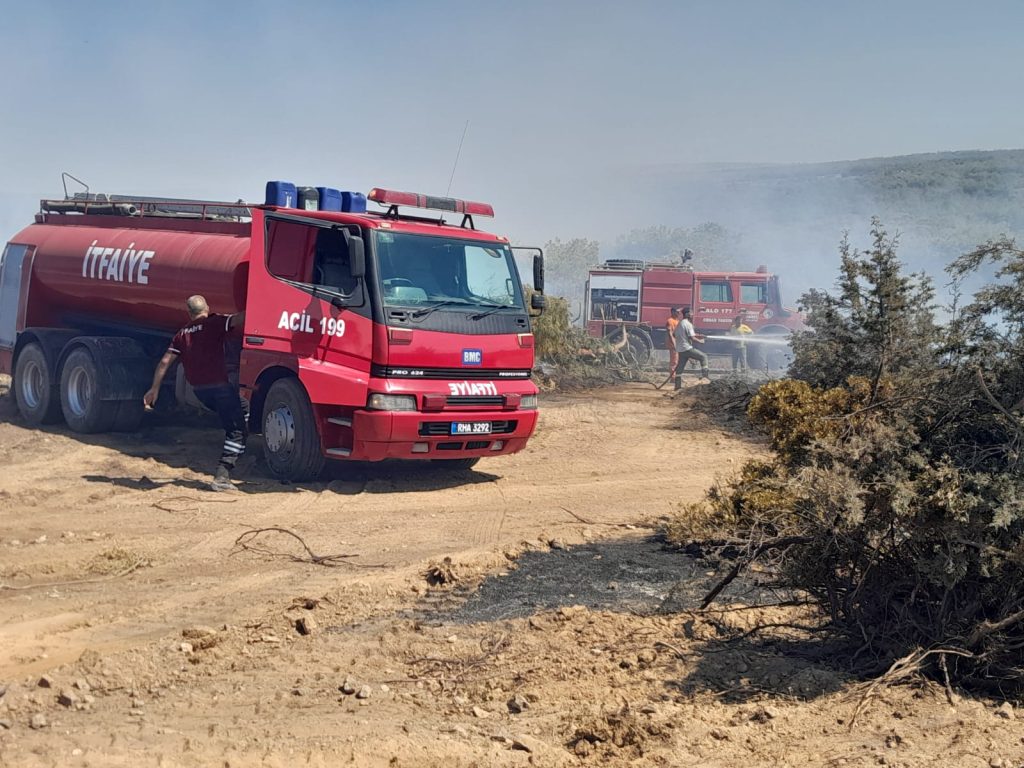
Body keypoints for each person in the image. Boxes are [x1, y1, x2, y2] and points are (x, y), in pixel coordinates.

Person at [143, 296, 248, 491]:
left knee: (243, 407)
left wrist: (154, 388)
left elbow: (165, 361)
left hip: (200, 391)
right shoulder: (213, 323)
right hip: (220, 388)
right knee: (236, 431)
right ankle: (222, 476)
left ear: (189, 313)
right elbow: (239, 319)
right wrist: (262, 305)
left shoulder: (182, 333)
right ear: (207, 307)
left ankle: (240, 444)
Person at [673, 307, 709, 389]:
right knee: (703, 357)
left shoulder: (680, 323)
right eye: (691, 313)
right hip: (687, 348)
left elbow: (674, 334)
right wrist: (701, 341)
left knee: (679, 370)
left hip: (680, 349)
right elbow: (692, 337)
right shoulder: (688, 324)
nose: (692, 314)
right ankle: (705, 378)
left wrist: (699, 335)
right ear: (687, 314)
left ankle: (677, 387)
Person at [665, 307, 681, 375]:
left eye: (679, 312)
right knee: (674, 361)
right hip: (673, 344)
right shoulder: (670, 321)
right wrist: (674, 344)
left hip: (677, 343)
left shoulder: (678, 321)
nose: (679, 313)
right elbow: (670, 334)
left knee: (677, 361)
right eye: (677, 312)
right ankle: (673, 377)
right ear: (672, 312)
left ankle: (676, 376)